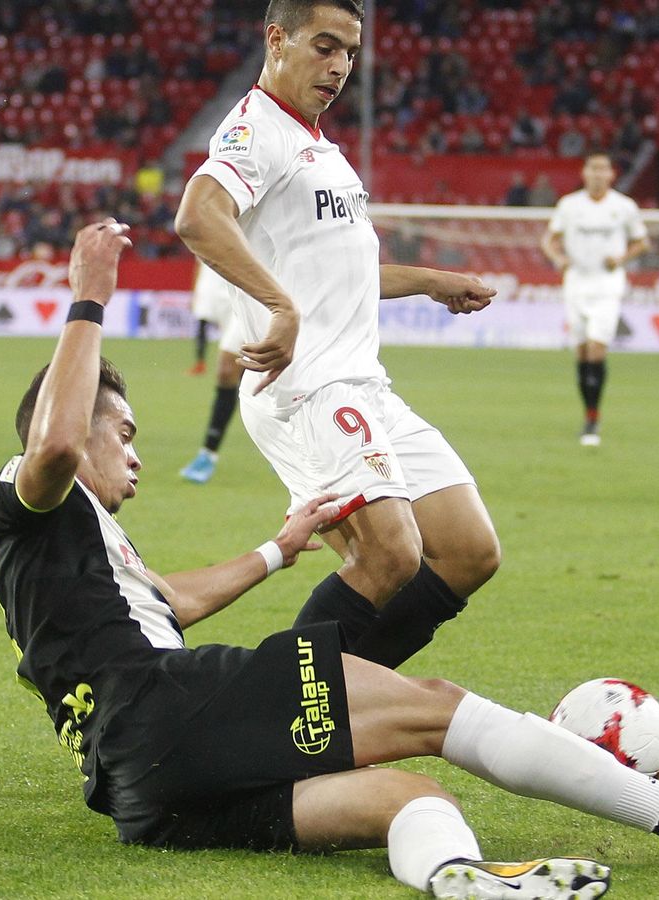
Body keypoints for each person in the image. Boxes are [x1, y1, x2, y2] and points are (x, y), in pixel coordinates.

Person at [0, 219, 659, 899]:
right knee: (435, 708)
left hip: (142, 794)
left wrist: (278, 548)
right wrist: (89, 294)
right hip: (166, 708)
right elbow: (54, 444)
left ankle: (455, 876)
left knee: (406, 799)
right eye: (123, 433)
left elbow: (171, 601)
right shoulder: (29, 491)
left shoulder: (76, 544)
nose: (135, 456)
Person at [174, 0, 505, 672]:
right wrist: (280, 307)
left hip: (363, 384)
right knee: (391, 554)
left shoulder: (322, 151)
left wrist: (431, 280)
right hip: (306, 390)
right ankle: (283, 708)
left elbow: (342, 277)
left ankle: (346, 694)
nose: (340, 67)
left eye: (350, 52)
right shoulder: (256, 130)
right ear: (277, 39)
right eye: (324, 47)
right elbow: (197, 215)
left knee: (470, 551)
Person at [540, 153, 650, 446]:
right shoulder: (569, 205)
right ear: (584, 172)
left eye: (603, 169)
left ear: (612, 174)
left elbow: (642, 242)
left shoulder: (624, 206)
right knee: (581, 351)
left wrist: (621, 258)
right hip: (576, 282)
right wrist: (558, 258)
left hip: (607, 284)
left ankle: (592, 418)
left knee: (596, 348)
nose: (598, 174)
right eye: (593, 168)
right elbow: (548, 240)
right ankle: (588, 412)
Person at [180, 260, 246, 483]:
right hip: (219, 291)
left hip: (247, 290)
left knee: (227, 370)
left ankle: (207, 454)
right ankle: (284, 445)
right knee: (250, 375)